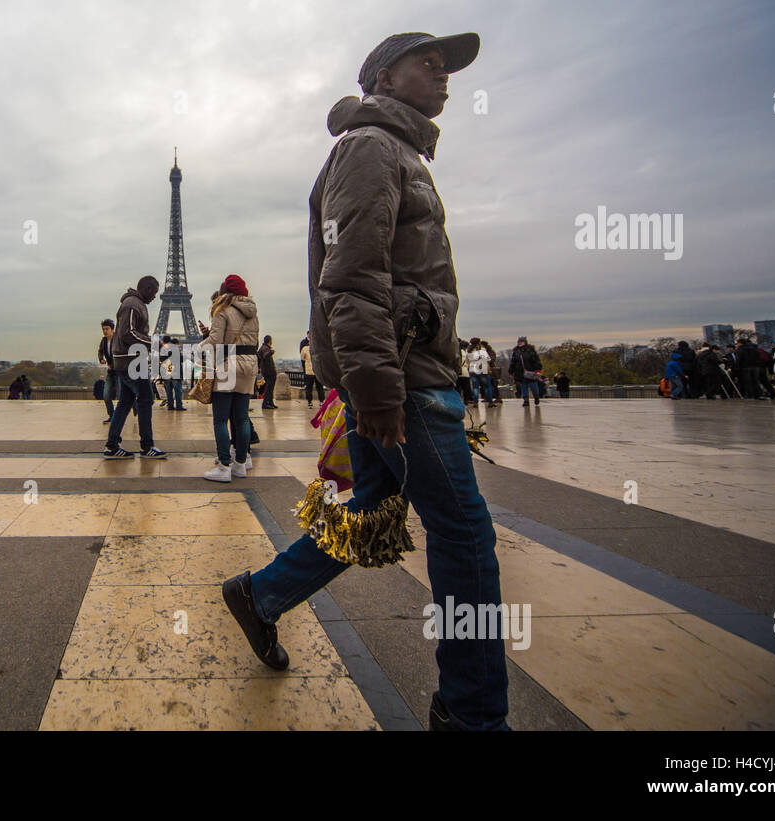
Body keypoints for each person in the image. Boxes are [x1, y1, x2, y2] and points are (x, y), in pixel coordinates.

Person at [222, 31, 508, 731]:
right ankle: (472, 715)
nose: (444, 77)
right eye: (429, 63)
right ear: (384, 75)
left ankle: (259, 597)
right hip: (403, 379)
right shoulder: (374, 148)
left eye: (448, 67)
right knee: (464, 535)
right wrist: (378, 391)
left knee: (367, 514)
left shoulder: (389, 148)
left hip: (395, 369)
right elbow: (350, 280)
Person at [197, 275, 258, 482]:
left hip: (228, 365)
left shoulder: (221, 310)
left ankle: (223, 466)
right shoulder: (253, 313)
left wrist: (198, 348)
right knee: (241, 419)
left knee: (221, 419)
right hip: (249, 366)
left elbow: (215, 340)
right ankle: (240, 464)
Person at [103, 276, 167, 459]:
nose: (155, 296)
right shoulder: (132, 304)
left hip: (128, 360)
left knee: (125, 402)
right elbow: (127, 334)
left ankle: (112, 445)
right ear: (146, 288)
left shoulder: (134, 303)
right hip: (130, 361)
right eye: (154, 292)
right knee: (146, 399)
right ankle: (147, 446)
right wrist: (153, 343)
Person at [509, 336, 542, 406]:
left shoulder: (530, 350)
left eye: (521, 342)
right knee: (523, 386)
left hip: (531, 371)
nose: (520, 343)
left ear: (525, 342)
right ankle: (526, 400)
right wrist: (511, 371)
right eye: (519, 342)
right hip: (520, 372)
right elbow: (513, 362)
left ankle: (536, 397)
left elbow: (536, 361)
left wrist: (538, 369)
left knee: (533, 385)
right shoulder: (516, 351)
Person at [97, 318, 118, 422]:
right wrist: (101, 359)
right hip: (110, 372)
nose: (105, 331)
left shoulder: (118, 339)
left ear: (112, 329)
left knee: (123, 395)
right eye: (103, 329)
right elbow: (100, 351)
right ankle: (112, 416)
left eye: (107, 329)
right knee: (106, 395)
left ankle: (134, 405)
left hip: (119, 371)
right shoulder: (104, 340)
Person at [300, 331, 324, 406]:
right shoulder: (319, 348)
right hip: (317, 371)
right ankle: (321, 401)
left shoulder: (305, 348)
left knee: (309, 388)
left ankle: (309, 402)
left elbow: (302, 358)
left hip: (309, 371)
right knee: (319, 387)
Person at [466, 338, 492, 404]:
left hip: (472, 370)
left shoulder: (469, 351)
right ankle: (490, 401)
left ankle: (475, 402)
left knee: (475, 387)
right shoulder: (482, 350)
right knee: (487, 386)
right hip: (482, 369)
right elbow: (488, 359)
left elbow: (467, 361)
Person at [257, 335, 277, 409]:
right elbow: (265, 356)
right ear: (270, 341)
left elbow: (259, 355)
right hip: (269, 371)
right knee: (269, 389)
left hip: (266, 371)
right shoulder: (266, 348)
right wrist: (271, 352)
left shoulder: (262, 348)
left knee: (270, 388)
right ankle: (265, 403)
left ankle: (270, 403)